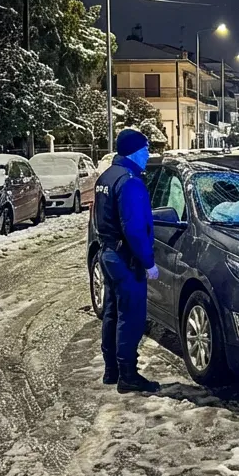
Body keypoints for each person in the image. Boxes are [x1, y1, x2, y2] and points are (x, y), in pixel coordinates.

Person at [93, 128, 161, 393]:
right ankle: (128, 375)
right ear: (134, 151)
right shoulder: (130, 181)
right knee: (130, 317)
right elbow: (133, 228)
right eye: (145, 150)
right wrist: (148, 262)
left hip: (109, 255)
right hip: (126, 259)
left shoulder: (107, 177)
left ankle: (111, 369)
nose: (147, 155)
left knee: (112, 313)